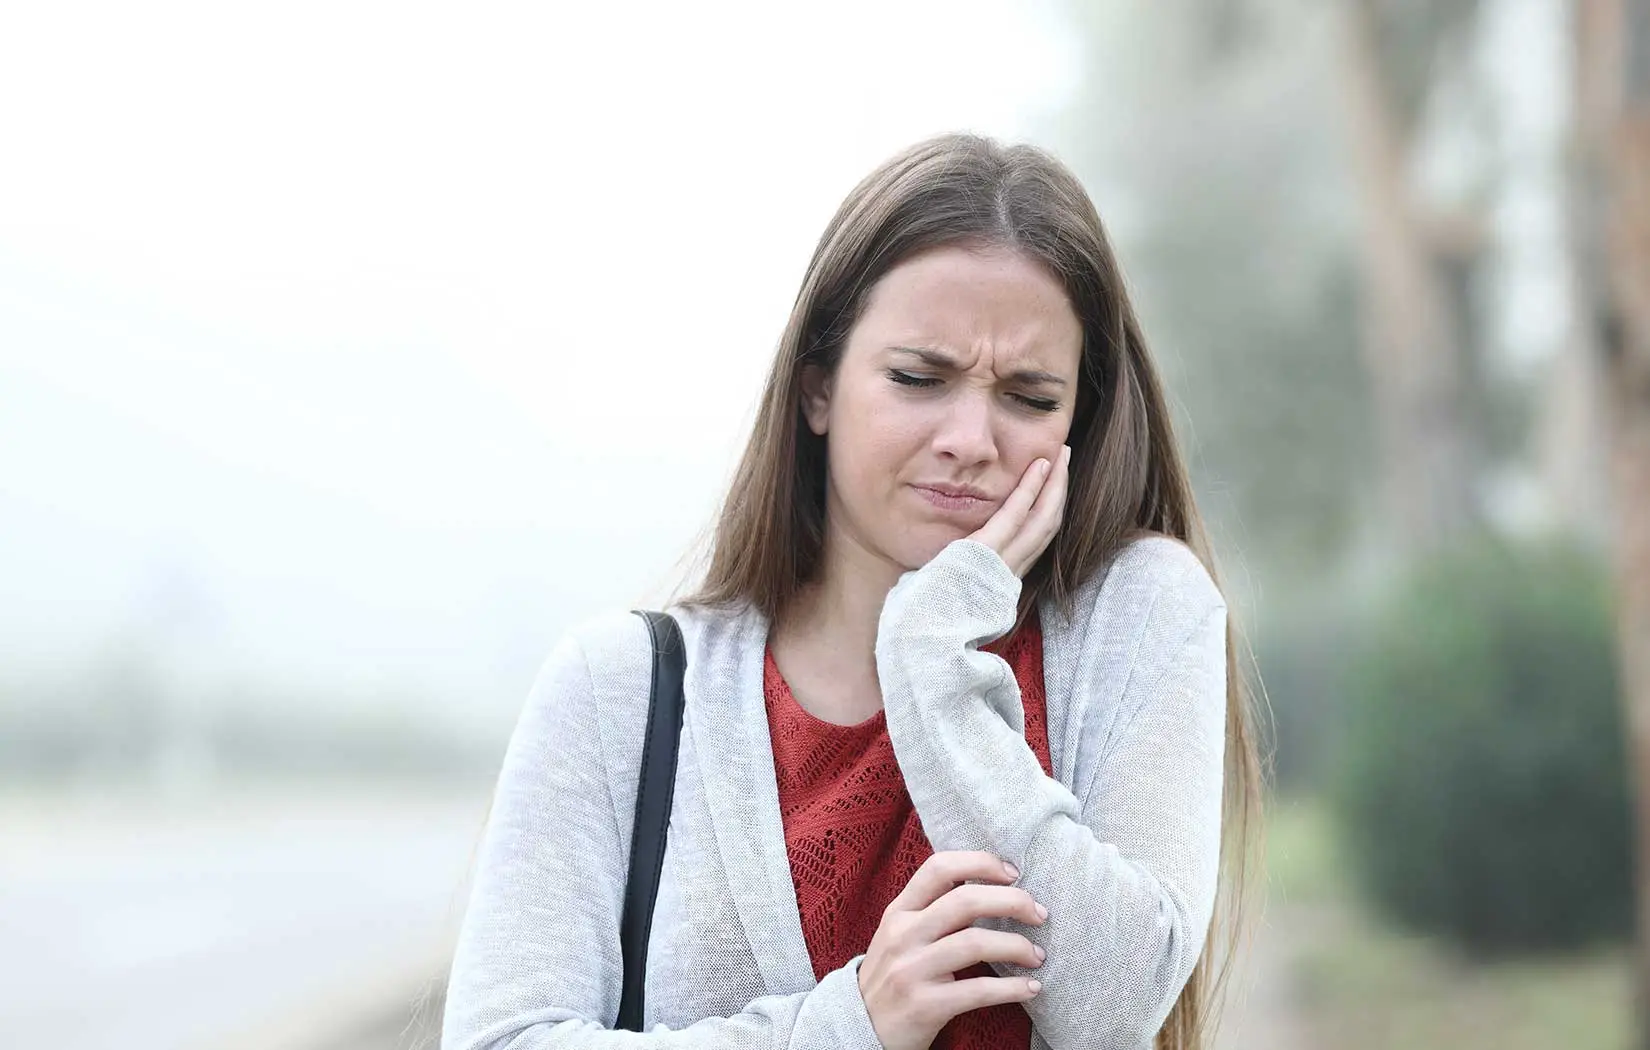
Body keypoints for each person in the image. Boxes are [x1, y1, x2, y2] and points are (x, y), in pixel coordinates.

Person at [440, 132, 1265, 1050]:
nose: (972, 438)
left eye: (1030, 397)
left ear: (1083, 416)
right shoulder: (619, 689)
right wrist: (848, 1027)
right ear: (818, 389)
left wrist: (929, 652)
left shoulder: (1137, 616)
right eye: (919, 378)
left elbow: (1112, 1005)